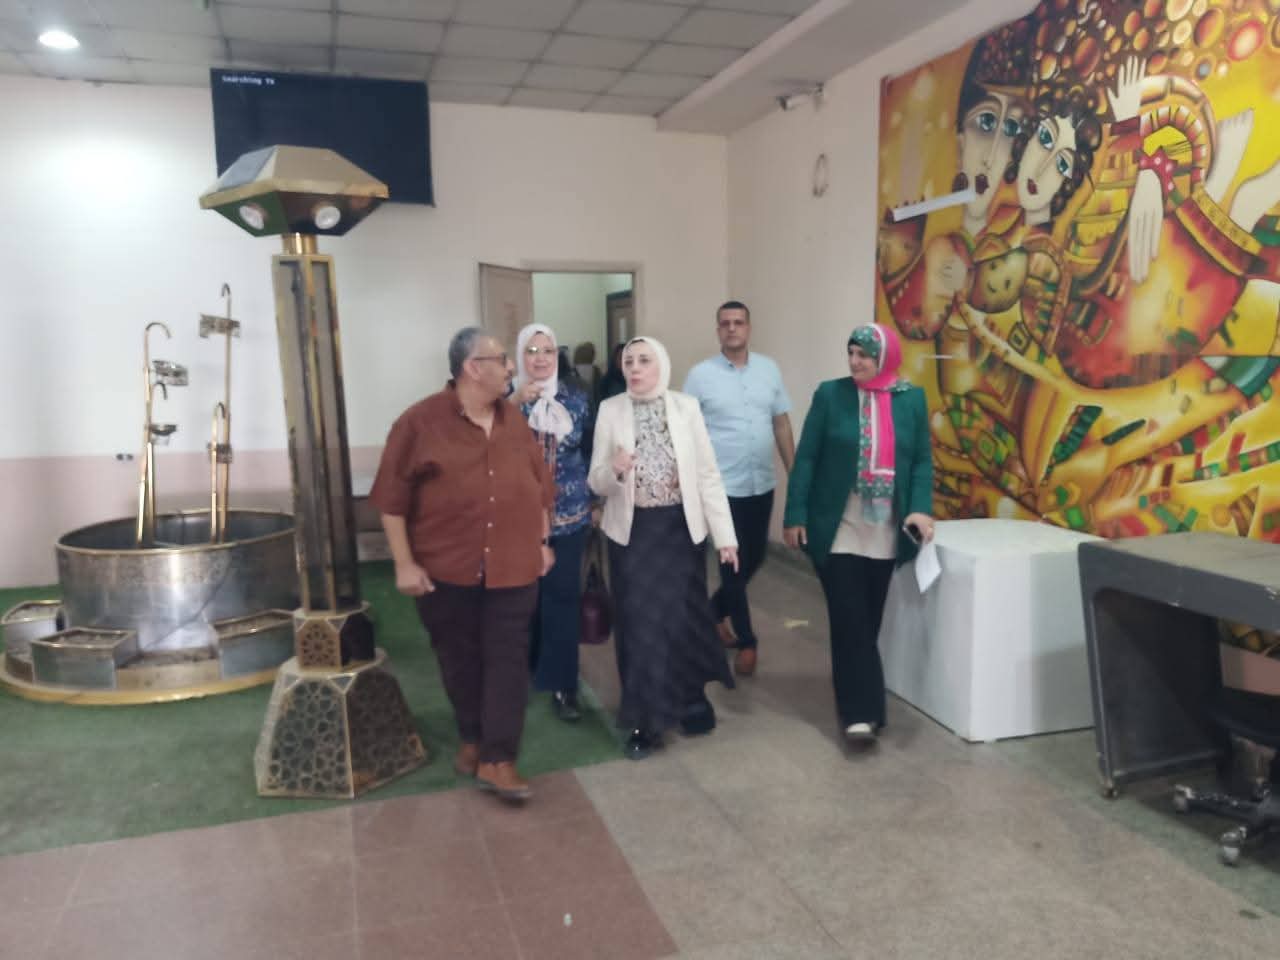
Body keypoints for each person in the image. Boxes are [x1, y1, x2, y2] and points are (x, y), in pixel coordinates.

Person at [370, 326, 555, 802]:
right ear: (473, 368)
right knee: (460, 660)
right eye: (502, 359)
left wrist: (542, 540)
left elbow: (538, 485)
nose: (511, 367)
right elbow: (391, 501)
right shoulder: (419, 423)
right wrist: (404, 565)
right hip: (447, 569)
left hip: (514, 566)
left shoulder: (514, 421)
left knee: (508, 660)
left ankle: (499, 758)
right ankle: (473, 736)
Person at [782, 324, 934, 745]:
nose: (854, 361)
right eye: (851, 352)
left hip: (885, 528)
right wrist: (795, 514)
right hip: (838, 526)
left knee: (866, 623)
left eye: (864, 354)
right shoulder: (831, 395)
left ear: (884, 357)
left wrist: (920, 508)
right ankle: (861, 714)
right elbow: (807, 458)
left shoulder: (911, 400)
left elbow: (922, 460)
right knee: (849, 619)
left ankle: (863, 704)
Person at [589, 336, 739, 759]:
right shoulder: (610, 410)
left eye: (644, 361)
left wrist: (725, 537)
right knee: (641, 627)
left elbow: (707, 475)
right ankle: (646, 719)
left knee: (682, 620)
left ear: (662, 366)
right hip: (633, 536)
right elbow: (595, 480)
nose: (635, 368)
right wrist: (614, 470)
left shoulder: (685, 407)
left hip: (680, 532)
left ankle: (689, 698)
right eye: (629, 361)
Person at [683, 300, 794, 677]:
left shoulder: (769, 370)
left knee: (756, 557)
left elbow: (781, 423)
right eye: (725, 323)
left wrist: (795, 473)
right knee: (732, 565)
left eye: (739, 322)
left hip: (760, 483)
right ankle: (747, 641)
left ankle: (711, 614)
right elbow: (687, 432)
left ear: (748, 328)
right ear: (718, 330)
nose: (732, 328)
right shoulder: (700, 376)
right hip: (721, 488)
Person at [513, 323, 593, 723]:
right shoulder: (506, 403)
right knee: (524, 600)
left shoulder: (577, 400)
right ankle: (527, 669)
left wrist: (596, 501)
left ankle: (564, 685)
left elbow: (591, 452)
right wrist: (513, 402)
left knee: (562, 598)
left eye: (547, 350)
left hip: (570, 515)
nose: (540, 358)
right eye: (531, 351)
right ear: (520, 358)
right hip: (519, 520)